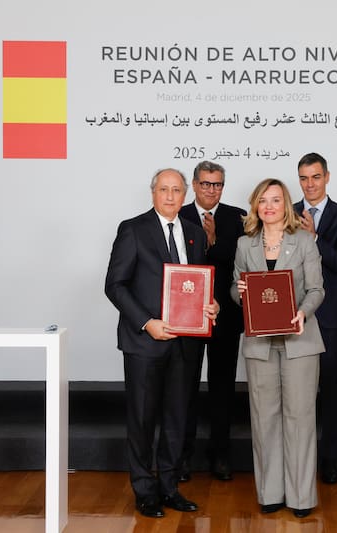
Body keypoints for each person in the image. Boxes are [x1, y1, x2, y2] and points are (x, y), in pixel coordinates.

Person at [104, 168, 219, 518]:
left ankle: (169, 488)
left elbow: (195, 287)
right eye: (164, 189)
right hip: (145, 342)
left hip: (184, 345)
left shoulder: (196, 235)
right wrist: (147, 322)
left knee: (176, 419)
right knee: (142, 419)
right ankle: (144, 490)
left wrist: (209, 306)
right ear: (153, 192)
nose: (170, 196)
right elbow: (115, 285)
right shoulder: (133, 229)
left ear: (186, 195)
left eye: (177, 190)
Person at [231, 178, 324, 518]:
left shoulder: (303, 242)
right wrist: (239, 292)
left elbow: (317, 290)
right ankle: (270, 493)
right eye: (262, 201)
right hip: (260, 344)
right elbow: (234, 290)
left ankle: (301, 497)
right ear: (255, 206)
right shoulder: (245, 245)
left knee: (299, 418)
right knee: (264, 418)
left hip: (300, 341)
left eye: (275, 200)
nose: (269, 206)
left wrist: (302, 312)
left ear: (286, 205)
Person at [294, 152, 337, 485]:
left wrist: (315, 237)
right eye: (304, 178)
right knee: (298, 388)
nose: (310, 184)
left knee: (329, 386)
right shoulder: (286, 212)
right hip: (294, 312)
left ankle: (330, 460)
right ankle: (299, 461)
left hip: (331, 312)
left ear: (327, 177)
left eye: (315, 177)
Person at [179, 161, 246, 482]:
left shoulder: (238, 218)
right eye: (205, 184)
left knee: (222, 389)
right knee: (184, 388)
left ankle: (220, 454)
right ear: (194, 185)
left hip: (227, 316)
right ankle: (182, 456)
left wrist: (215, 241)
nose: (210, 190)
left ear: (223, 187)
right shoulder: (178, 215)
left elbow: (240, 263)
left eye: (217, 185)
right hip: (187, 317)